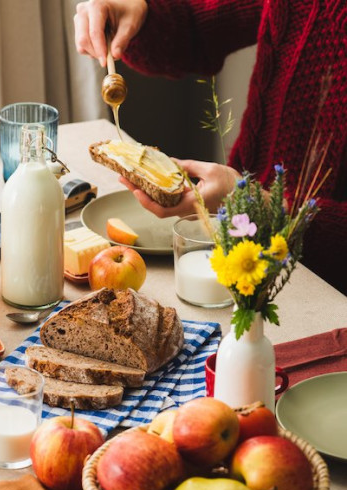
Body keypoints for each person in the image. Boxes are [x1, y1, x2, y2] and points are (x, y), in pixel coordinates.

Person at [73, 0, 347, 295]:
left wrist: (264, 208)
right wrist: (139, 16)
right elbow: (197, 29)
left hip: (320, 285)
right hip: (240, 251)